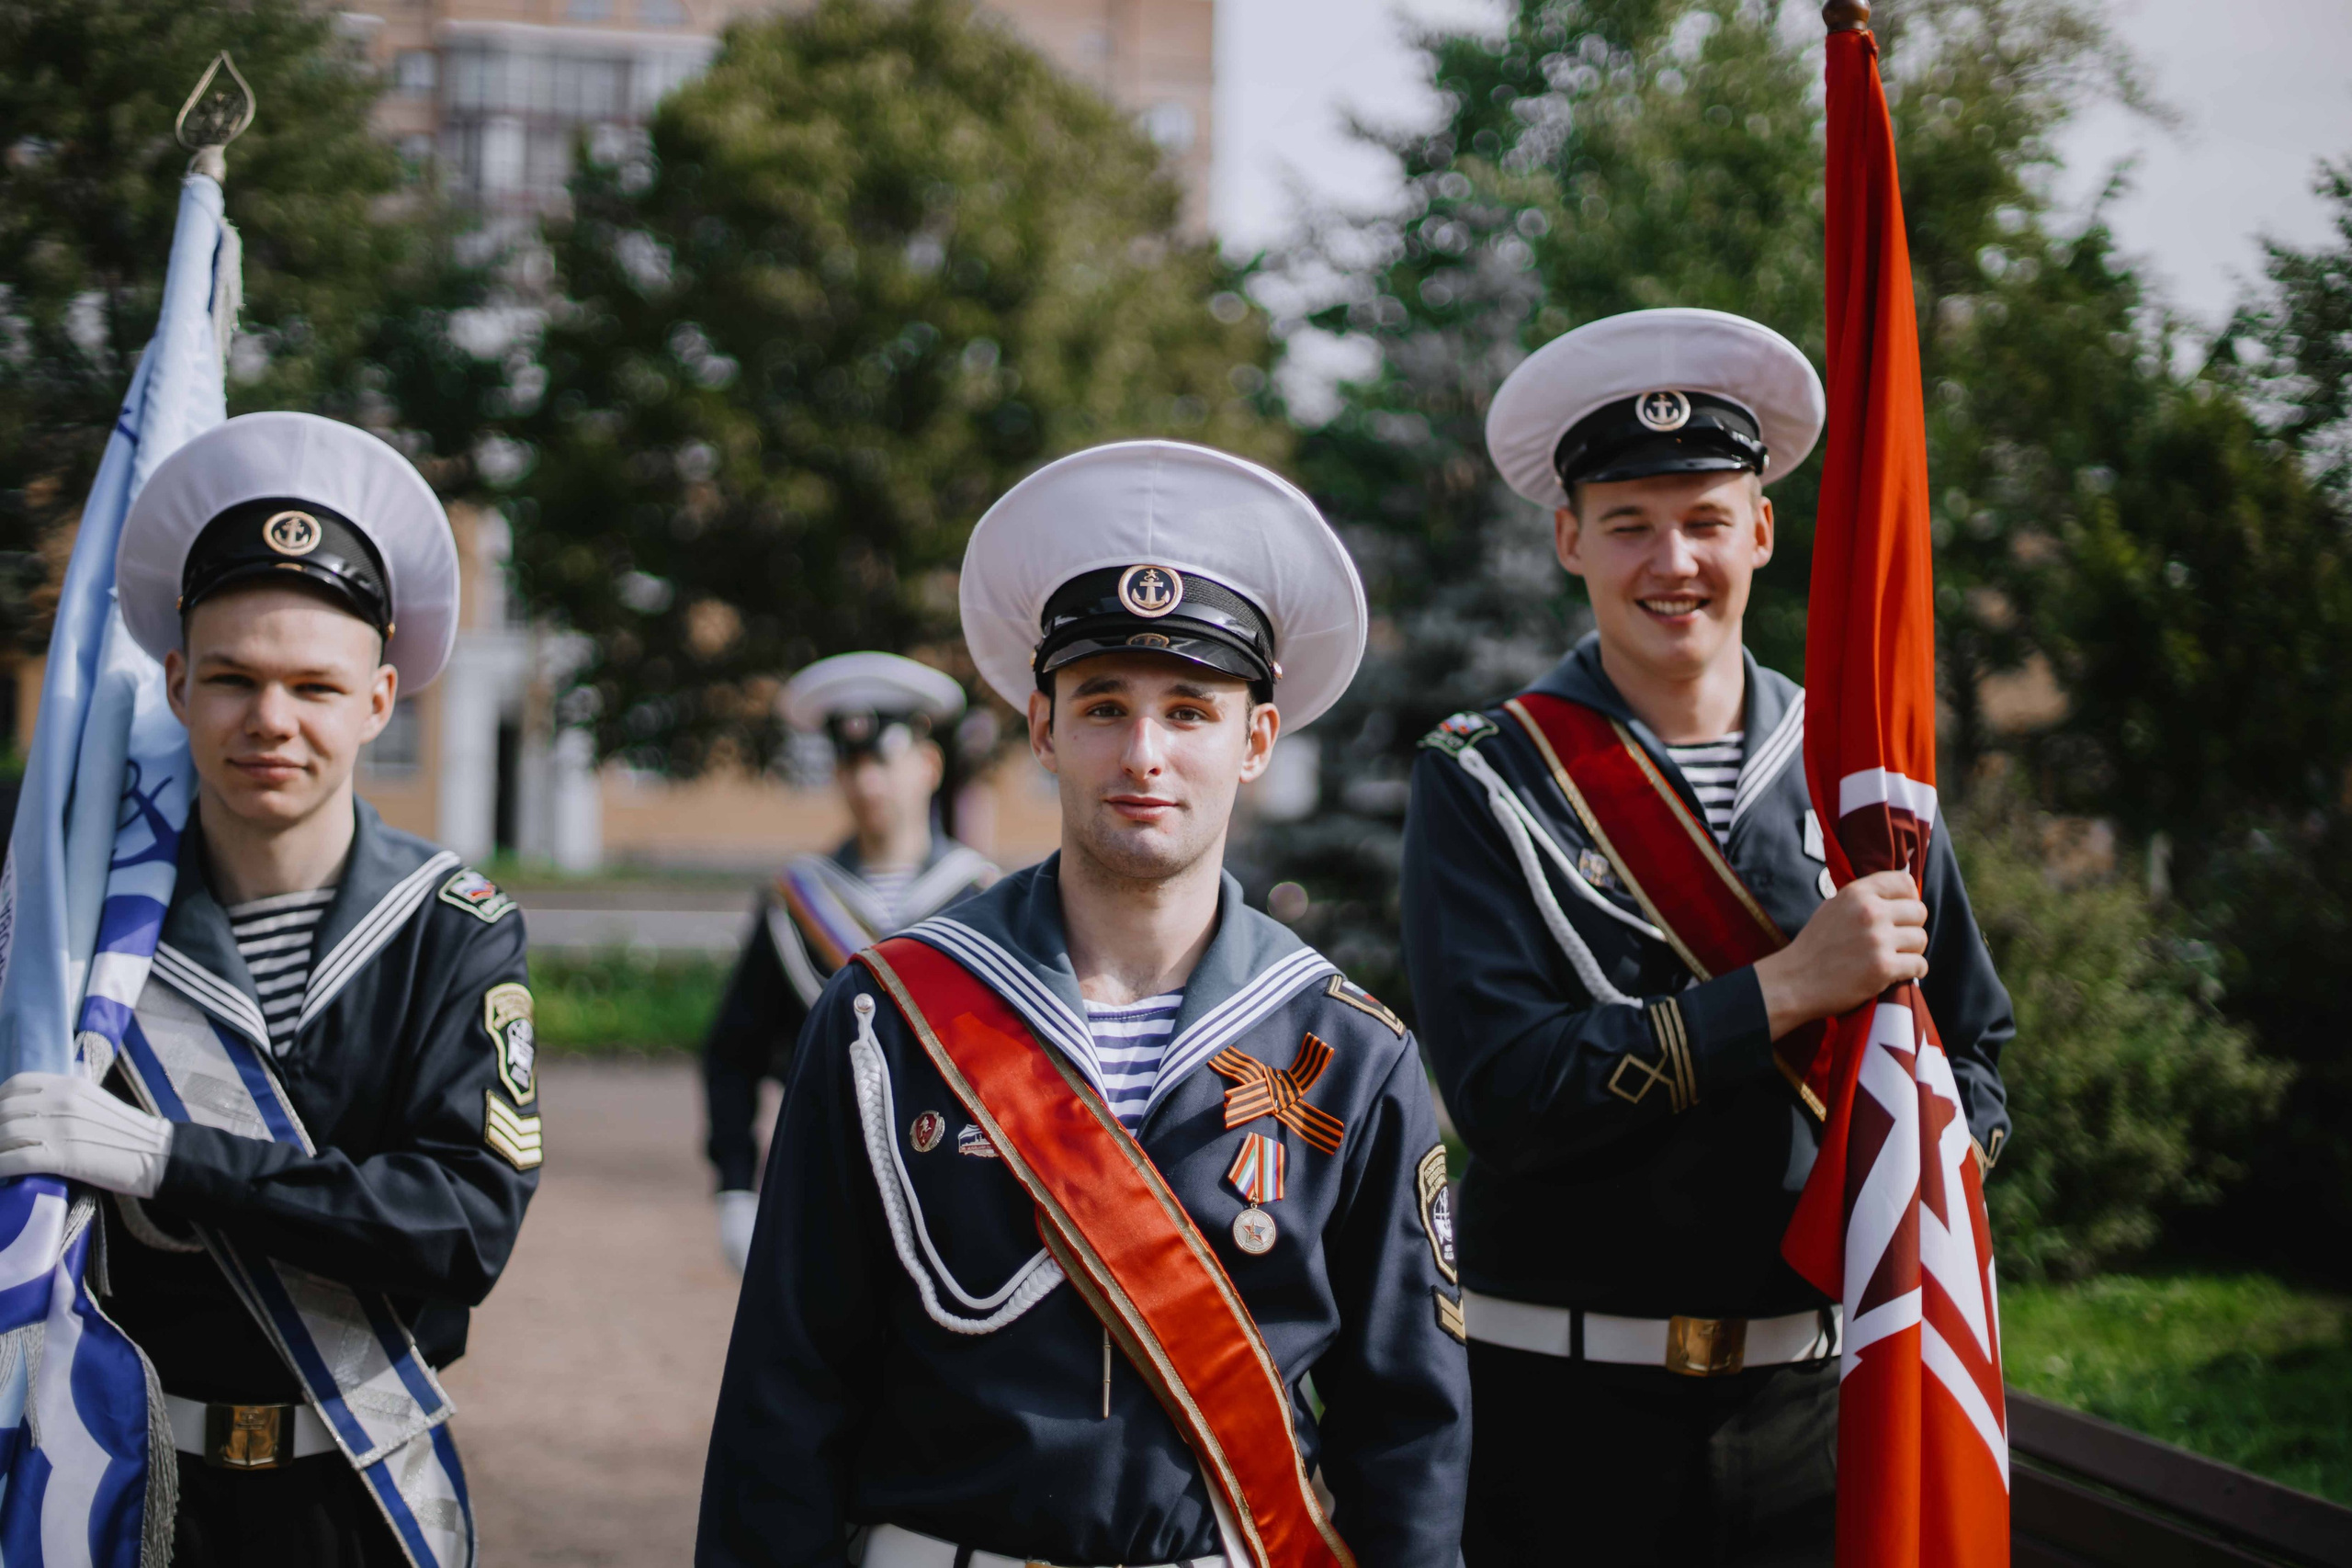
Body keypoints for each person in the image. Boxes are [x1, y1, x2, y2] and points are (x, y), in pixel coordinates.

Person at [697, 441, 1471, 1568]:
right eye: (1104, 706)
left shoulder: (1347, 1049)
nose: (1143, 754)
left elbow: (1409, 1436)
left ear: (1255, 740)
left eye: (1190, 711)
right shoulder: (886, 1020)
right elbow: (783, 1399)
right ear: (1043, 729)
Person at [1400, 309, 2015, 1567]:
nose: (1671, 560)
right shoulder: (1485, 777)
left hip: (1815, 1416)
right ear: (1570, 538)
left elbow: (1976, 1057)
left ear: (1763, 532)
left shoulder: (1862, 776)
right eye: (1629, 521)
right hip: (1562, 1420)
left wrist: (1921, 1176)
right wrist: (1786, 988)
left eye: (1706, 519)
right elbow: (1505, 1097)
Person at [0, 412, 538, 1567]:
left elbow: (463, 1226)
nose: (271, 721)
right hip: (125, 1490)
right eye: (233, 678)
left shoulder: (452, 930)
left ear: (380, 701)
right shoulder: (80, 934)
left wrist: (171, 1159)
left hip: (353, 1501)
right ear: (177, 683)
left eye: (314, 685)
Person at [703, 651, 996, 1272]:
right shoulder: (797, 902)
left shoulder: (982, 900)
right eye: (851, 764)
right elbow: (733, 1050)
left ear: (929, 765)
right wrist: (735, 1187)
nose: (867, 784)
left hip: (956, 1200)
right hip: (820, 1188)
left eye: (882, 761)